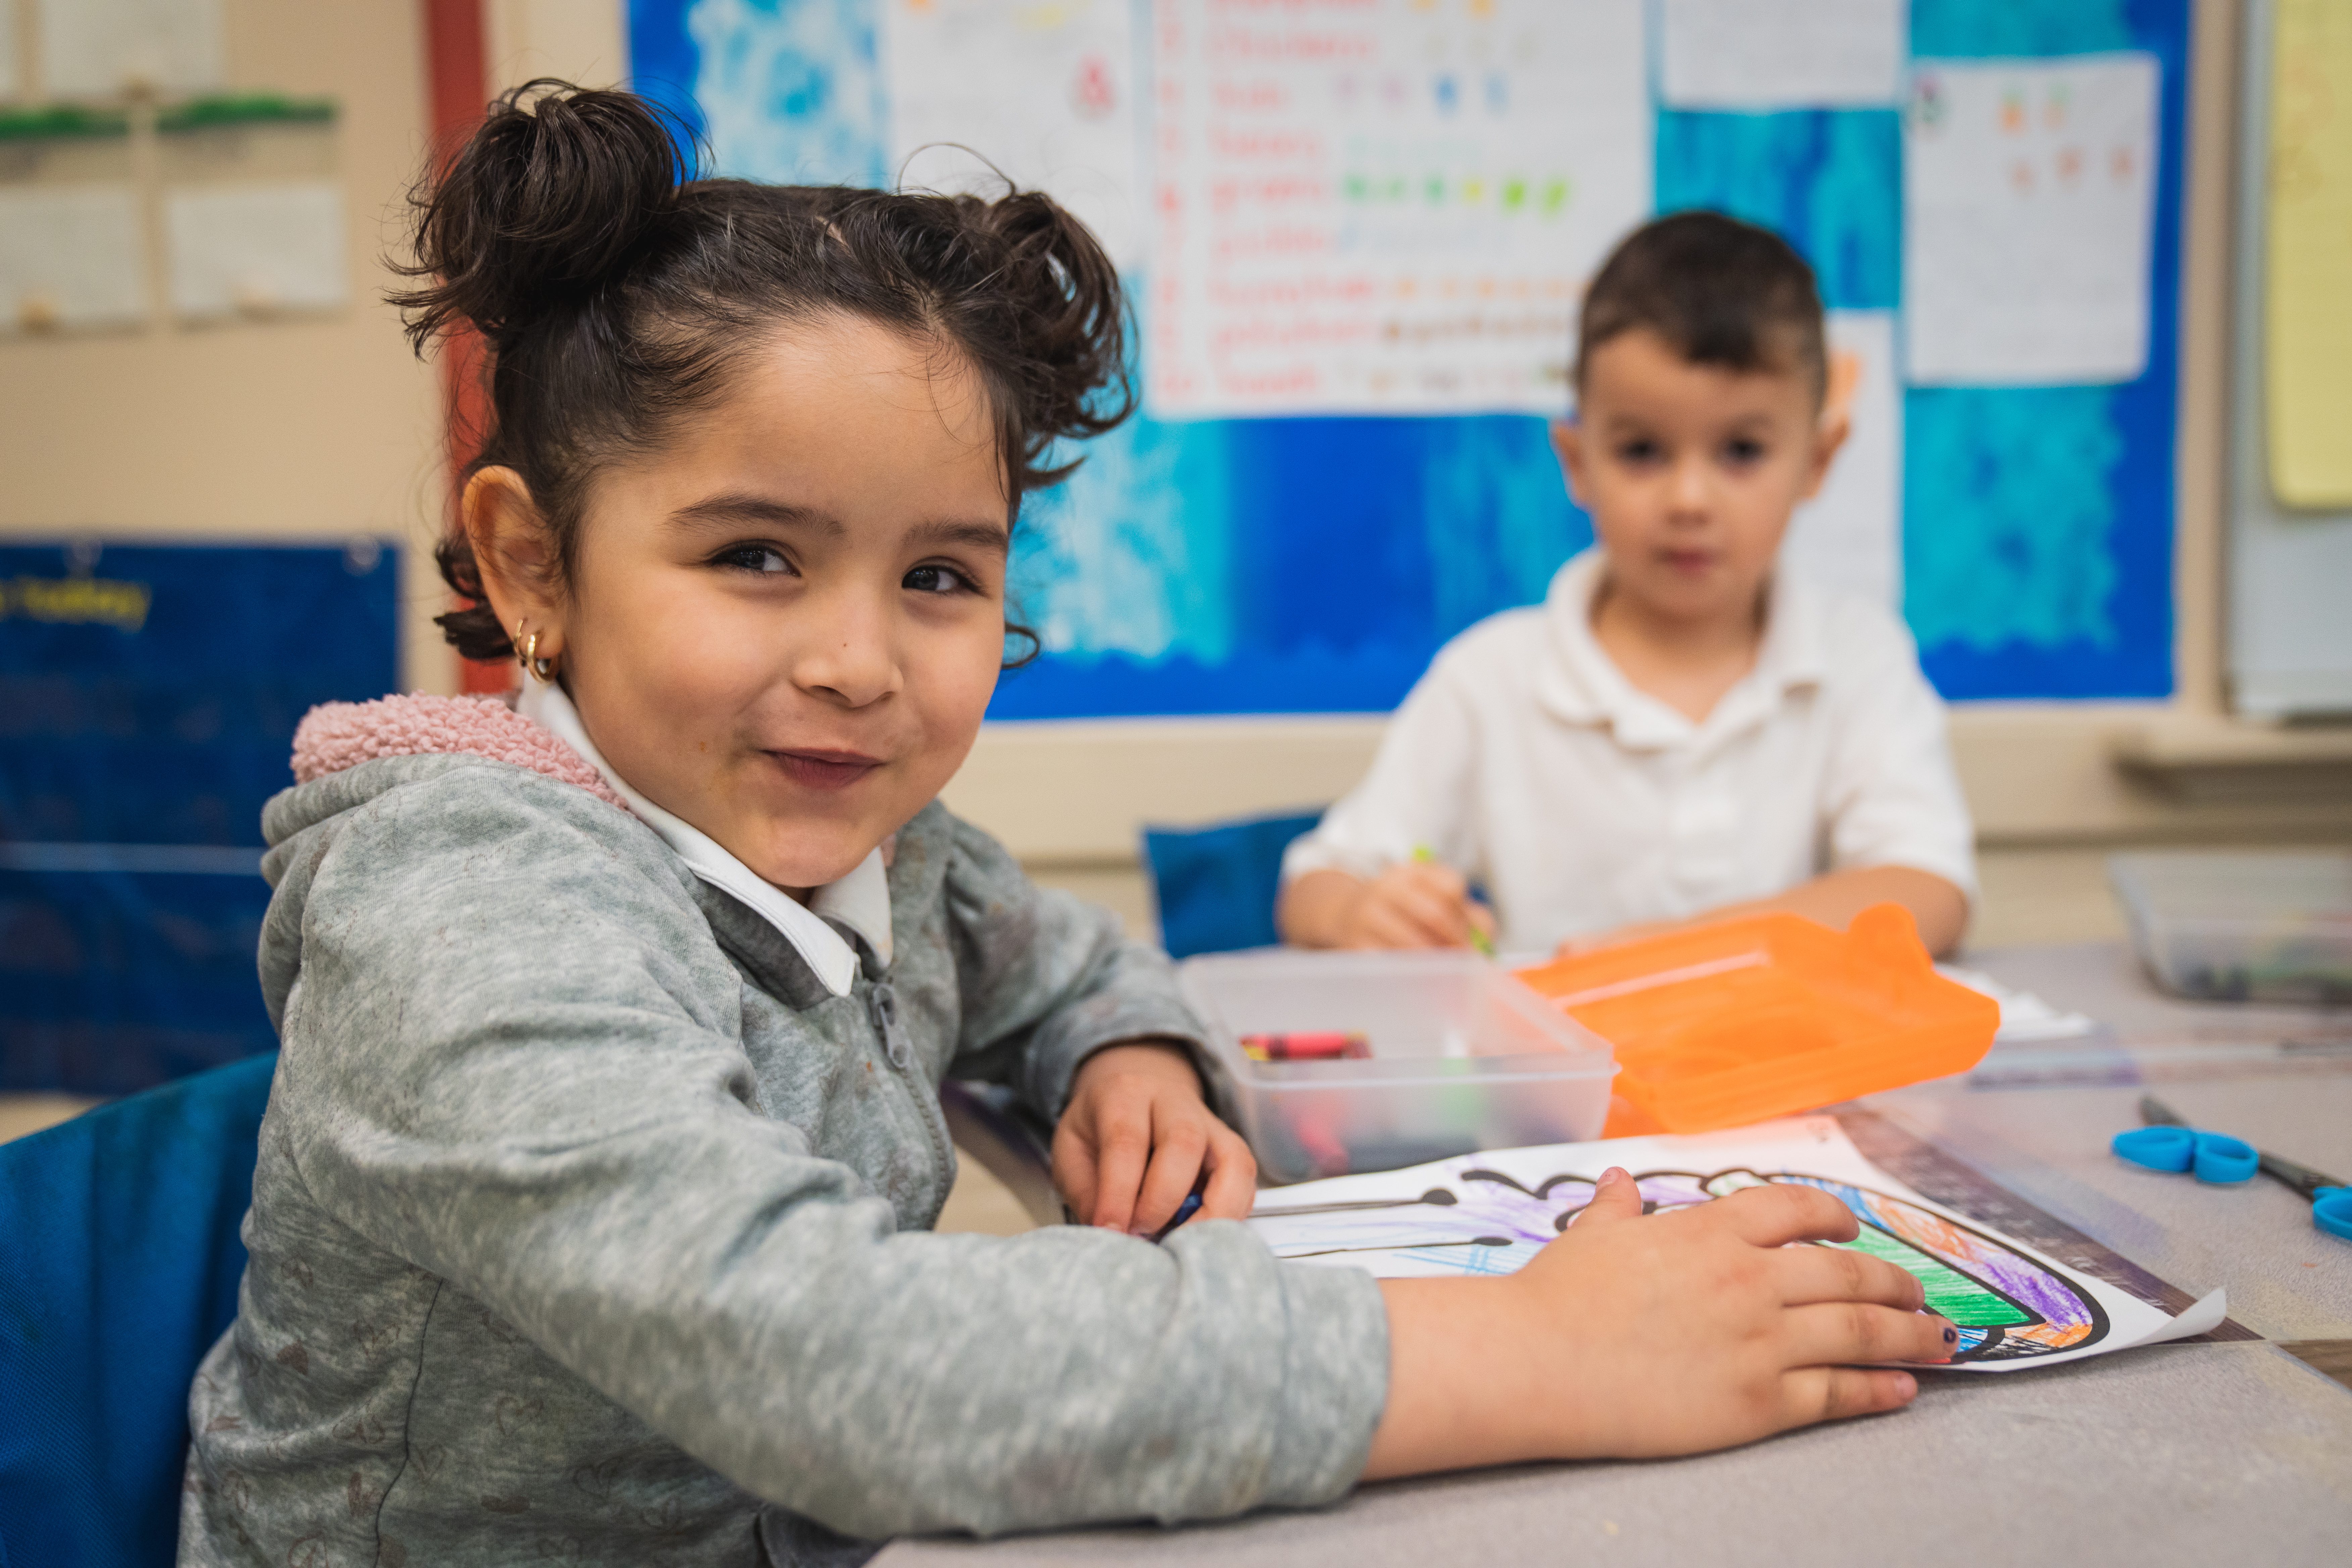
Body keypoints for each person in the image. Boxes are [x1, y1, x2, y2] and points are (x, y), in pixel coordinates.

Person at [180, 90, 1956, 1567]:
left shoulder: (866, 846)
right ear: (533, 566)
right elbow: (832, 1361)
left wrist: (1134, 1056)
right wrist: (1544, 1353)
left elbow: (1070, 967)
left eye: (939, 574)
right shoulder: (464, 908)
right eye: (754, 557)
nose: (862, 664)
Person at [1278, 212, 1976, 961]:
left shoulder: (1856, 657)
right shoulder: (1492, 678)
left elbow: (1928, 890)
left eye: (1742, 450)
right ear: (1577, 462)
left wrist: (1681, 954)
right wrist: (1361, 912)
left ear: (1818, 460)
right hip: (1560, 1076)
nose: (1689, 500)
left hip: (1785, 1075)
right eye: (1642, 450)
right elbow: (1313, 885)